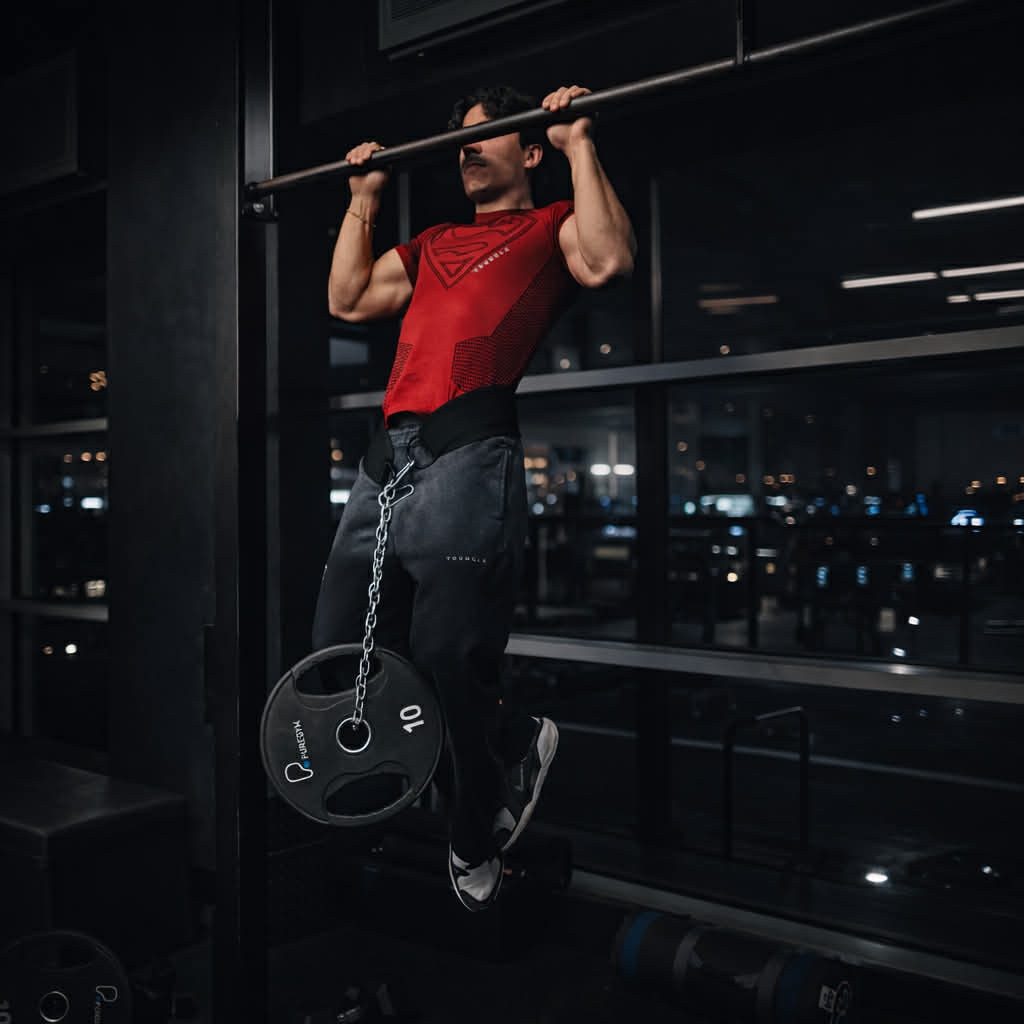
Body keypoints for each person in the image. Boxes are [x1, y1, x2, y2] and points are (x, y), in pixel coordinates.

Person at [314, 84, 635, 911]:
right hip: (388, 453)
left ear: (527, 151)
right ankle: (486, 748)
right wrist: (363, 199)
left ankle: (478, 812)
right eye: (458, 138)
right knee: (337, 646)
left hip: (468, 442)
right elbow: (348, 299)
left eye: (483, 136)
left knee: (448, 653)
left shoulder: (553, 224)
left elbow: (607, 261)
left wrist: (578, 142)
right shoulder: (432, 244)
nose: (465, 148)